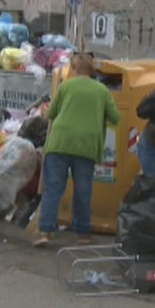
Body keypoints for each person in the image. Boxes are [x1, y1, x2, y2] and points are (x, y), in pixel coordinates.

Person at [34, 53, 120, 247]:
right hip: (86, 146)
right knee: (83, 190)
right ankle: (82, 234)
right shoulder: (102, 90)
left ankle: (45, 232)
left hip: (60, 143)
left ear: (75, 69)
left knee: (53, 189)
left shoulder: (65, 86)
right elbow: (116, 117)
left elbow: (51, 113)